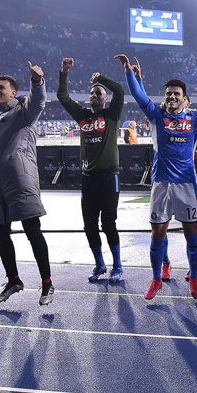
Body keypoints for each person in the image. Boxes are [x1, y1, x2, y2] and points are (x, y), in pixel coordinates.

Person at [117, 54, 197, 301]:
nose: (171, 96)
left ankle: (192, 276)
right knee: (158, 232)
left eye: (176, 93)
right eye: (168, 93)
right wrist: (130, 73)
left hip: (186, 184)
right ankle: (157, 278)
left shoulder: (196, 118)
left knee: (191, 231)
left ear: (186, 100)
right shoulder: (157, 116)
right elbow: (139, 97)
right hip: (161, 182)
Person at [0, 62, 55, 306]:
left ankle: (47, 283)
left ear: (13, 92)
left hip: (20, 180)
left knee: (32, 231)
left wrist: (37, 82)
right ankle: (13, 280)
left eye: (1, 88)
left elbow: (39, 102)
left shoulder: (24, 111)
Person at [57, 58, 126, 283]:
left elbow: (120, 90)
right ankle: (99, 264)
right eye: (92, 93)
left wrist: (101, 79)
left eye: (99, 93)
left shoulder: (112, 114)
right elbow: (62, 97)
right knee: (89, 225)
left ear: (106, 99)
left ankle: (117, 265)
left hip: (109, 178)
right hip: (88, 179)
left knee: (109, 223)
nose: (95, 95)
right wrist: (64, 73)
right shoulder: (83, 115)